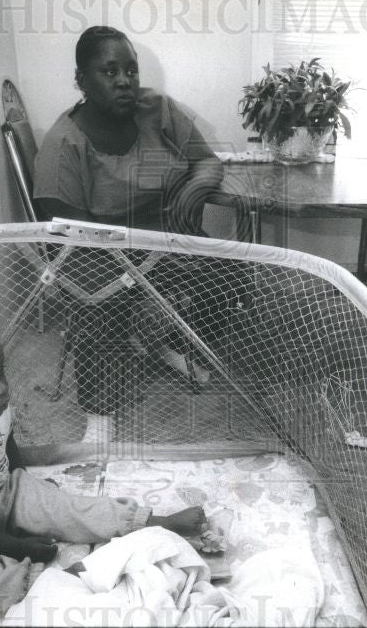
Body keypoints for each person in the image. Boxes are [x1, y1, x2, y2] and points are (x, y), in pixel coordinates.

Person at [0, 309, 207, 617]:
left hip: (1, 492)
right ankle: (47, 584)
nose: (2, 387)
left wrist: (26, 486)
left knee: (70, 506)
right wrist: (18, 547)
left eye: (0, 372)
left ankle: (151, 523)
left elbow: (6, 444)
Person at [31, 25, 236, 442]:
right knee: (96, 304)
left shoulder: (156, 109)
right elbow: (70, 235)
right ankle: (99, 412)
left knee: (229, 279)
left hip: (165, 240)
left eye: (131, 70)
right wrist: (130, 260)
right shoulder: (63, 144)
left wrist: (195, 188)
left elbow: (208, 162)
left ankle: (168, 342)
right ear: (82, 80)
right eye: (109, 72)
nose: (124, 81)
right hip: (96, 251)